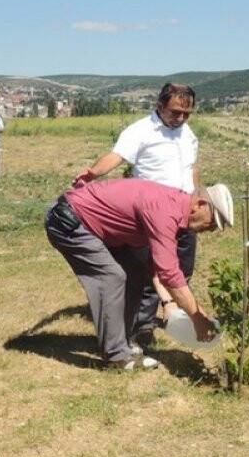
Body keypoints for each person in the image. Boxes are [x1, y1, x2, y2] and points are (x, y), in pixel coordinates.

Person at [46, 178, 230, 369]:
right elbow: (169, 273)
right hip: (69, 221)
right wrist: (197, 320)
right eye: (213, 221)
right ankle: (116, 356)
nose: (212, 229)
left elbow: (159, 267)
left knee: (136, 271)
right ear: (200, 205)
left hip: (98, 229)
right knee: (112, 277)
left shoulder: (176, 210)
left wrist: (174, 305)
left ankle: (121, 341)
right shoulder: (165, 211)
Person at [73, 83, 201, 349]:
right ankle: (141, 327)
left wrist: (198, 197)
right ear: (159, 105)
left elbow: (192, 168)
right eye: (175, 112)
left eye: (186, 113)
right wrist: (93, 173)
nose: (180, 118)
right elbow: (117, 156)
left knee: (183, 268)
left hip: (184, 212)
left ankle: (176, 316)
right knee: (145, 273)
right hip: (151, 216)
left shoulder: (188, 134)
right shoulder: (141, 130)